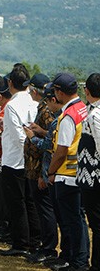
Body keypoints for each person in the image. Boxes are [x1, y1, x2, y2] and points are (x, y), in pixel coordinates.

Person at [46, 72, 89, 270]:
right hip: (80, 173)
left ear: (60, 92)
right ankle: (79, 260)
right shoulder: (83, 109)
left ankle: (77, 262)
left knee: (72, 223)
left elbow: (61, 149)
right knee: (78, 221)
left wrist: (51, 170)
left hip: (66, 175)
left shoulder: (68, 116)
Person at [0, 66, 40, 258]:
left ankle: (21, 242)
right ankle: (34, 240)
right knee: (31, 202)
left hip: (15, 159)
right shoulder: (33, 102)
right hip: (30, 160)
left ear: (10, 84)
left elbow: (17, 135)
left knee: (17, 203)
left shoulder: (13, 105)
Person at [21, 73, 58, 264]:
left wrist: (34, 133)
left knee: (45, 209)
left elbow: (52, 141)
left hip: (40, 168)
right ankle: (46, 245)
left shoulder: (45, 110)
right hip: (36, 166)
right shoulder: (42, 108)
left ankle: (49, 248)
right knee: (41, 208)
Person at [78, 73, 100, 271]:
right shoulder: (91, 111)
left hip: (94, 178)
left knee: (97, 225)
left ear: (87, 90)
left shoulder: (95, 115)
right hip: (90, 175)